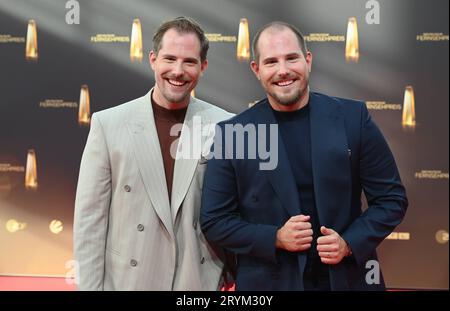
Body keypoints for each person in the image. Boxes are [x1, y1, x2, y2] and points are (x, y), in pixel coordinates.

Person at [200, 21, 408, 290]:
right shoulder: (234, 133)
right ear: (257, 69)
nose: (283, 70)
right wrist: (274, 237)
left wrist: (348, 243)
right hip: (269, 282)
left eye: (291, 58)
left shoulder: (353, 119)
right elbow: (215, 220)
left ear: (308, 60)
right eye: (271, 61)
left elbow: (391, 199)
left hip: (347, 279)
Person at [74, 17, 233, 290]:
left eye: (189, 62)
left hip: (196, 283)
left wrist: (227, 275)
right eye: (169, 59)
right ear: (153, 59)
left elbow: (235, 213)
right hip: (128, 282)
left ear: (203, 66)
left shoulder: (226, 126)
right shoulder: (109, 124)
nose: (178, 70)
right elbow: (89, 222)